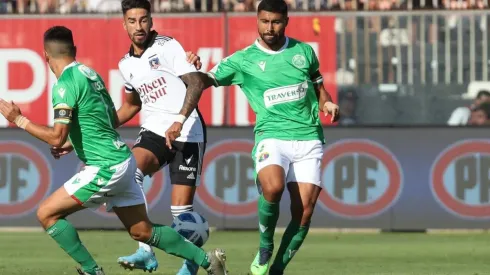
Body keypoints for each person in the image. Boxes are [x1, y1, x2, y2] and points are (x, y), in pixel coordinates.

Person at [0, 26, 227, 275]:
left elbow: (56, 135)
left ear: (45, 55)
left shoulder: (64, 84)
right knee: (142, 231)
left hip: (105, 167)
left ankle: (92, 270)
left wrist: (19, 119)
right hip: (124, 161)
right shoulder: (91, 75)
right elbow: (105, 122)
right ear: (74, 50)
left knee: (47, 214)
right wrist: (71, 143)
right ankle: (208, 261)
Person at [185, 0, 339, 274]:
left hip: (308, 137)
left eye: (276, 22)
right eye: (264, 21)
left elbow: (319, 87)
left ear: (286, 22)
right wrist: (189, 65)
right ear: (257, 20)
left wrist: (327, 103)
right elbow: (204, 79)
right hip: (272, 135)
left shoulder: (304, 52)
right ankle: (265, 245)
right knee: (273, 187)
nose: (270, 27)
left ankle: (275, 270)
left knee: (304, 211)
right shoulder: (243, 60)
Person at [114, 1, 209, 274]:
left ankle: (190, 266)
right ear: (124, 24)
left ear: (151, 20)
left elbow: (197, 82)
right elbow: (132, 105)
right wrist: (101, 126)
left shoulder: (167, 46)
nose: (138, 26)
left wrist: (179, 120)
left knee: (182, 217)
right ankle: (146, 251)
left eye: (143, 20)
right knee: (130, 171)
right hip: (155, 129)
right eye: (132, 21)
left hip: (188, 128)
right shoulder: (125, 64)